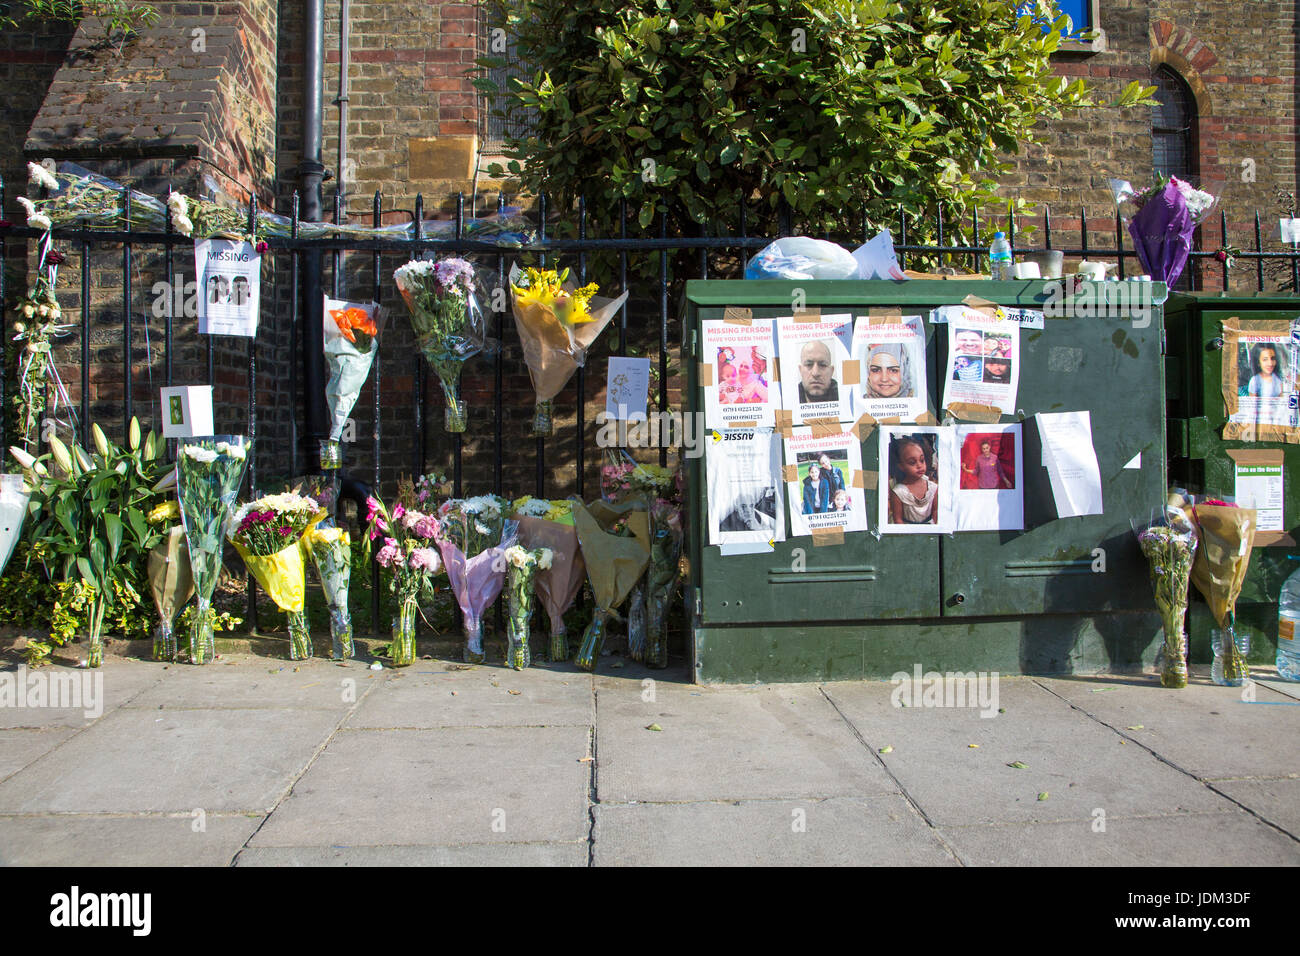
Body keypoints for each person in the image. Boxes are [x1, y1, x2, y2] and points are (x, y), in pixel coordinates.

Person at [889, 436, 938, 525]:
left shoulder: (932, 487)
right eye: (912, 462)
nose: (919, 465)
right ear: (901, 466)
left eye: (922, 460)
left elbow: (935, 511)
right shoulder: (898, 492)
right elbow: (898, 520)